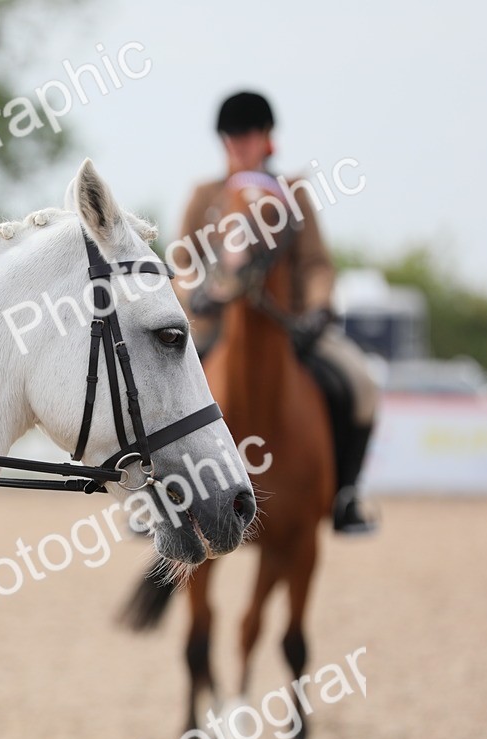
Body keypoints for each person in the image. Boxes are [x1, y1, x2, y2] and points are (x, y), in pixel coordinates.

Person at [172, 91, 378, 534]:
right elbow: (182, 262)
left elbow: (316, 263)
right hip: (216, 325)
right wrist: (193, 295)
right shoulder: (206, 195)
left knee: (361, 383)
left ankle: (346, 495)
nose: (239, 144)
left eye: (248, 134)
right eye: (232, 136)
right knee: (164, 390)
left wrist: (319, 308)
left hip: (291, 326)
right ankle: (165, 500)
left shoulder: (292, 193)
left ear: (266, 136)